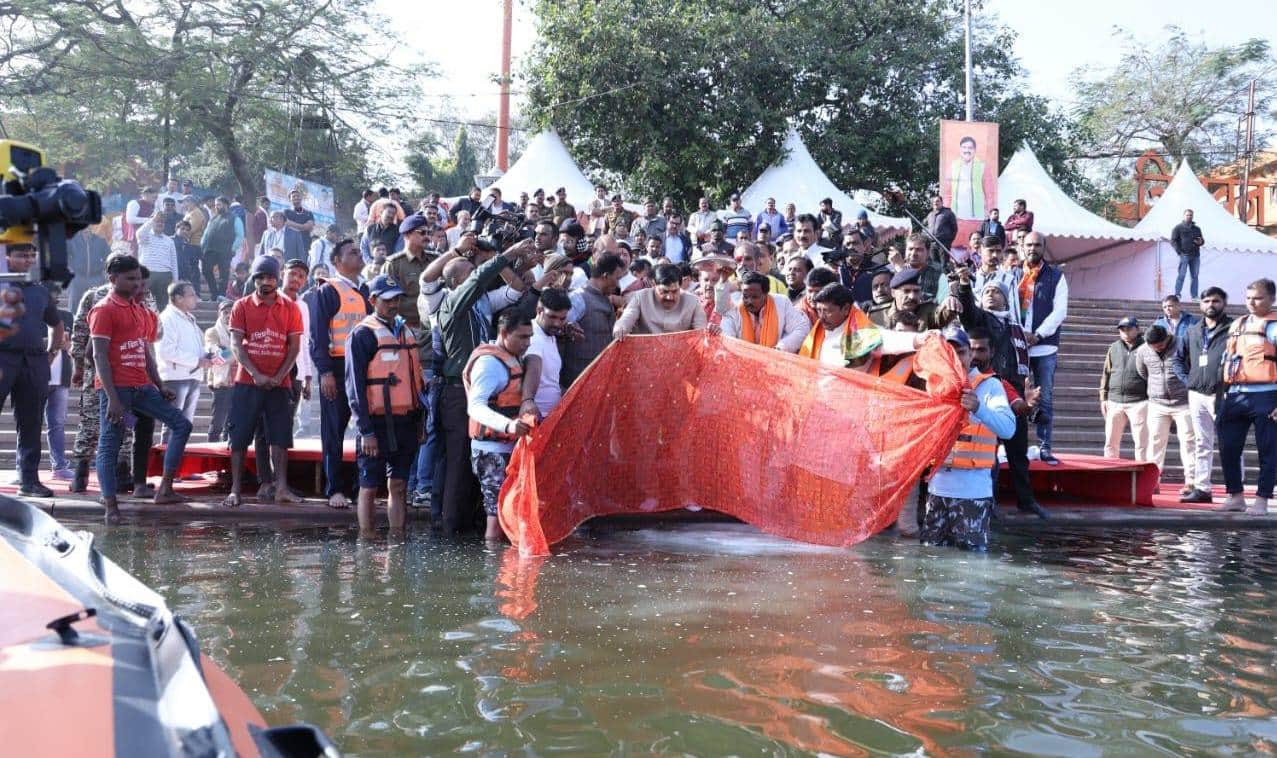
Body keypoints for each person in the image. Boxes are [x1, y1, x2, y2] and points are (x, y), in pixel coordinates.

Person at [436, 238, 536, 534]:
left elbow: (516, 291)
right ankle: (450, 534)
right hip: (458, 391)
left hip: (484, 394)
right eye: (470, 271)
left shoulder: (481, 302)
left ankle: (470, 534)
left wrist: (514, 265)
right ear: (456, 281)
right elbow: (480, 279)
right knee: (457, 466)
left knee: (480, 485)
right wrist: (505, 255)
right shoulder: (452, 303)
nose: (477, 272)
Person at [89, 255, 192, 521]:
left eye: (139, 279)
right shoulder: (104, 309)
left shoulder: (138, 309)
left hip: (142, 386)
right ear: (113, 279)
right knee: (110, 443)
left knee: (181, 424)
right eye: (131, 279)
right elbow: (97, 355)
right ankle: (111, 506)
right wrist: (111, 397)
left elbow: (145, 351)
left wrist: (158, 384)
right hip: (118, 389)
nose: (137, 284)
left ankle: (165, 488)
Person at [956, 274, 1048, 518]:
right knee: (989, 453)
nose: (990, 294)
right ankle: (990, 502)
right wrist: (965, 287)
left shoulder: (1015, 327)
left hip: (1014, 392)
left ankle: (1026, 501)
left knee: (1018, 453)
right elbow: (968, 314)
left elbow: (1023, 362)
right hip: (988, 389)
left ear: (1006, 300)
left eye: (996, 291)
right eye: (986, 291)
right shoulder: (982, 320)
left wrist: (1027, 392)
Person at [920, 327, 1017, 551]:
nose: (955, 359)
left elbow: (1009, 429)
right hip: (937, 493)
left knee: (970, 568)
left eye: (960, 352)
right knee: (931, 560)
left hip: (972, 495)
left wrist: (979, 408)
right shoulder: (933, 388)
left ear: (970, 355)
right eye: (949, 353)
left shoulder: (989, 386)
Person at [222, 256, 304, 508]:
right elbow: (236, 344)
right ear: (253, 279)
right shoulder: (242, 306)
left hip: (280, 384)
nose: (265, 282)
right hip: (248, 382)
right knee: (240, 436)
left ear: (277, 279)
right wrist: (255, 374)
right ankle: (235, 490)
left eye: (269, 277)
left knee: (280, 437)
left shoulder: (290, 307)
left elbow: (294, 347)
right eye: (260, 277)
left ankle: (281, 488)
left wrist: (280, 376)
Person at [345, 274, 424, 536]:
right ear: (373, 300)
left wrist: (420, 422)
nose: (394, 304)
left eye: (397, 299)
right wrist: (365, 431)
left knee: (399, 484)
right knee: (368, 485)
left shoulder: (405, 331)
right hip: (376, 424)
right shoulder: (362, 335)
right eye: (388, 300)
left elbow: (417, 383)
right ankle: (366, 541)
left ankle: (397, 539)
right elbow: (355, 387)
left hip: (406, 421)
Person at [309, 238, 372, 509]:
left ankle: (363, 487)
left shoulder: (368, 290)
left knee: (364, 429)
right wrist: (324, 372)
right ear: (338, 262)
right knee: (333, 429)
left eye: (360, 251)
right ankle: (335, 488)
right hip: (336, 367)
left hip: (365, 369)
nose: (359, 256)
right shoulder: (327, 291)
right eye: (352, 253)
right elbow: (318, 336)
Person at [464, 309, 535, 541]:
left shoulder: (514, 356)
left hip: (511, 450)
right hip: (491, 451)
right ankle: (491, 569)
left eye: (530, 337)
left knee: (511, 512)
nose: (528, 343)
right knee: (495, 517)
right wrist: (508, 426)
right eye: (522, 337)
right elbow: (475, 406)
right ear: (504, 333)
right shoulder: (489, 364)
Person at [0, 243, 63, 497]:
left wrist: (52, 353)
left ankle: (29, 481)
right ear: (7, 258)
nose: (27, 260)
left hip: (34, 362)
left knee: (31, 422)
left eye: (31, 256)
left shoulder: (40, 291)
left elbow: (57, 325)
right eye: (21, 255)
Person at [1217, 278, 1277, 515]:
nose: (1252, 302)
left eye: (1258, 298)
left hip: (1268, 396)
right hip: (1235, 395)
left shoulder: (1273, 326)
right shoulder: (1238, 324)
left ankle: (1262, 499)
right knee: (1228, 447)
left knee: (1269, 449)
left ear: (1272, 299)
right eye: (1249, 297)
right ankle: (1236, 496)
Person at [1174, 287, 1230, 504]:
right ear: (1201, 305)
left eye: (1215, 301)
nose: (1211, 305)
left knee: (1230, 442)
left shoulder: (1234, 328)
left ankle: (1236, 490)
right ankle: (1202, 488)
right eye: (1206, 301)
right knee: (1201, 442)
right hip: (1197, 394)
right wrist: (1189, 381)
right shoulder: (1192, 331)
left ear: (1224, 303)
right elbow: (1178, 360)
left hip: (1223, 394)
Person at [1018, 231, 1067, 465]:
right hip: (1017, 346)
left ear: (1043, 248)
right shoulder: (1014, 274)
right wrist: (1019, 334)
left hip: (1044, 347)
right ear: (1022, 246)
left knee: (1045, 397)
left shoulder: (1056, 276)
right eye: (1028, 244)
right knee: (1015, 396)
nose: (1032, 248)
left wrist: (1037, 335)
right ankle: (1015, 446)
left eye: (1037, 245)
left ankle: (1045, 447)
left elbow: (1059, 312)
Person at [1135, 324, 1197, 494]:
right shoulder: (1142, 350)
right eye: (1153, 346)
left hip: (1184, 403)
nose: (1157, 349)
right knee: (1155, 443)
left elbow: (1194, 368)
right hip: (1157, 404)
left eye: (1160, 345)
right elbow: (1143, 372)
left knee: (1188, 442)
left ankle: (1191, 482)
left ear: (1168, 337)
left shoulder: (1183, 345)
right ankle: (1153, 482)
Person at [561, 252, 625, 388]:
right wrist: (567, 328)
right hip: (577, 383)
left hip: (599, 380)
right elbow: (559, 329)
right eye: (617, 278)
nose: (619, 284)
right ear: (605, 276)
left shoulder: (605, 298)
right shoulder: (578, 299)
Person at [156, 281, 210, 436]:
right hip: (175, 379)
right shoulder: (167, 318)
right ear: (179, 298)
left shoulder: (189, 318)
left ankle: (178, 458)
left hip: (192, 376)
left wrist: (208, 354)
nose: (196, 298)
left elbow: (198, 345)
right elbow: (166, 351)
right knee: (173, 425)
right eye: (192, 295)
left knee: (185, 426)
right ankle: (166, 459)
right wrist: (197, 361)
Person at [721, 271, 810, 352]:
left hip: (775, 362)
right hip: (742, 362)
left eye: (755, 297)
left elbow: (802, 328)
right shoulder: (734, 309)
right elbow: (727, 338)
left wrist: (781, 348)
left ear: (766, 294)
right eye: (745, 296)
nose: (749, 301)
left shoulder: (782, 303)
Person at [1099, 316, 1149, 461]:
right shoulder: (1114, 347)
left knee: (1142, 444)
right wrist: (1103, 397)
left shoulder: (1146, 347)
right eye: (1122, 329)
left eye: (1129, 329)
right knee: (1110, 443)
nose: (1125, 332)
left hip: (1139, 402)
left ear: (1137, 329)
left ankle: (1143, 478)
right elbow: (1106, 373)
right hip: (1114, 401)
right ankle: (1110, 477)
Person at [614, 263, 710, 338]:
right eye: (664, 291)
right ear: (653, 284)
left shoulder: (692, 301)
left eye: (674, 291)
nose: (670, 297)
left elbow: (701, 332)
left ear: (680, 286)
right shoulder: (640, 297)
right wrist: (621, 327)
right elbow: (627, 318)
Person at [522, 288, 572, 420]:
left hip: (552, 416)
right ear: (539, 310)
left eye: (562, 319)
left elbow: (550, 381)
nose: (557, 323)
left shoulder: (550, 334)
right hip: (537, 419)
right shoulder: (532, 336)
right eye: (552, 317)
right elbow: (533, 365)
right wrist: (528, 400)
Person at [384, 214, 436, 333]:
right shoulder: (394, 264)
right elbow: (387, 299)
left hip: (435, 326)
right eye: (422, 232)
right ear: (407, 235)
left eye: (428, 233)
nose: (427, 236)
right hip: (408, 328)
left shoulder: (435, 260)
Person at [45, 313, 74, 481]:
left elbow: (72, 345)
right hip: (36, 376)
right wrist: (53, 342)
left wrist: (68, 345)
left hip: (61, 379)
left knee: (57, 424)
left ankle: (59, 466)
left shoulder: (66, 316)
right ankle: (24, 468)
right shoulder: (31, 313)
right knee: (29, 424)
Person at [204, 299, 237, 442]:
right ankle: (211, 453)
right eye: (225, 312)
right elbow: (216, 357)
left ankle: (228, 456)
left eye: (231, 312)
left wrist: (229, 353)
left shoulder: (240, 331)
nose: (228, 315)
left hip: (239, 381)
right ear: (219, 313)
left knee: (233, 423)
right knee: (217, 422)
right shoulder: (212, 332)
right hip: (221, 382)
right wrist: (239, 353)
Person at [135, 214, 179, 311]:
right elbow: (139, 233)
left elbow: (174, 261)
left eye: (162, 222)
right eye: (157, 221)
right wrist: (152, 220)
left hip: (165, 275)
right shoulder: (145, 237)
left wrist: (175, 280)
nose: (160, 223)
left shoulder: (169, 240)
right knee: (143, 302)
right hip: (147, 274)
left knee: (163, 305)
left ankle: (160, 325)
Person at [948, 136, 995, 220]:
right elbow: (947, 193)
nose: (967, 150)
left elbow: (989, 193)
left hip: (978, 216)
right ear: (960, 149)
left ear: (975, 150)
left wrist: (990, 212)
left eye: (970, 148)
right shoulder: (953, 166)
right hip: (956, 215)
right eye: (964, 147)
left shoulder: (983, 166)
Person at [1170, 209, 1204, 301]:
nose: (1189, 216)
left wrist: (1200, 242)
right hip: (1184, 255)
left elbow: (1202, 240)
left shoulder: (1197, 228)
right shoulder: (1178, 228)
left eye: (1191, 215)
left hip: (1195, 255)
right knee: (1181, 275)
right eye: (1187, 215)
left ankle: (1194, 296)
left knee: (1195, 276)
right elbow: (1173, 240)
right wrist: (1179, 252)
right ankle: (1177, 294)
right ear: (1184, 216)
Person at [924, 195, 957, 266]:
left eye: (937, 201)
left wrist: (949, 241)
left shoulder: (948, 213)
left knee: (944, 264)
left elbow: (954, 228)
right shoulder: (930, 215)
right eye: (934, 202)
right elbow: (926, 227)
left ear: (942, 202)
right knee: (934, 265)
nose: (935, 203)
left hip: (944, 243)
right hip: (932, 244)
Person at [123, 186, 157, 254]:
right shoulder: (134, 203)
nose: (155, 199)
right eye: (153, 197)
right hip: (135, 238)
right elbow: (130, 219)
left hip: (149, 239)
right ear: (146, 195)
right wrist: (149, 220)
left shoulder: (153, 206)